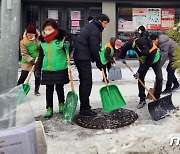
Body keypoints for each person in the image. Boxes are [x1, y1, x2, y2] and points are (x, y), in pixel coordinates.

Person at [73, 13, 110, 116]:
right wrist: (99, 63)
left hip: (80, 57)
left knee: (84, 82)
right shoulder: (95, 30)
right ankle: (84, 109)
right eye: (105, 23)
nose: (105, 26)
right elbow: (93, 49)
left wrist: (97, 60)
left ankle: (85, 106)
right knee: (86, 83)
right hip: (83, 58)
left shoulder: (90, 26)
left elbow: (92, 46)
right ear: (100, 21)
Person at [35, 18, 70, 119]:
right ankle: (49, 108)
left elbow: (68, 50)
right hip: (47, 68)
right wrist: (38, 69)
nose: (48, 31)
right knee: (49, 89)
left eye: (50, 29)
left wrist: (68, 46)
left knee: (59, 88)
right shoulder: (42, 42)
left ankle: (61, 104)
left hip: (60, 68)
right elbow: (40, 56)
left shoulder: (61, 39)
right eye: (46, 29)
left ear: (55, 29)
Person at [120, 37, 163, 109]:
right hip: (143, 60)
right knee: (140, 78)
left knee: (159, 78)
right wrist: (122, 57)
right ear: (137, 46)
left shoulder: (153, 49)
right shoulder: (132, 43)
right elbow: (124, 47)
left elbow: (147, 64)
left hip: (155, 60)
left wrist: (139, 71)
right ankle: (142, 99)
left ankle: (157, 98)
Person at [18, 23, 41, 96]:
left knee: (37, 76)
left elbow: (42, 48)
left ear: (35, 34)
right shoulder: (23, 42)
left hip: (37, 60)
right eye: (29, 35)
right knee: (23, 76)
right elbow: (24, 53)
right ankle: (18, 89)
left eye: (32, 35)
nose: (30, 36)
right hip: (27, 62)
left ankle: (36, 90)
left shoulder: (38, 40)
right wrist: (31, 60)